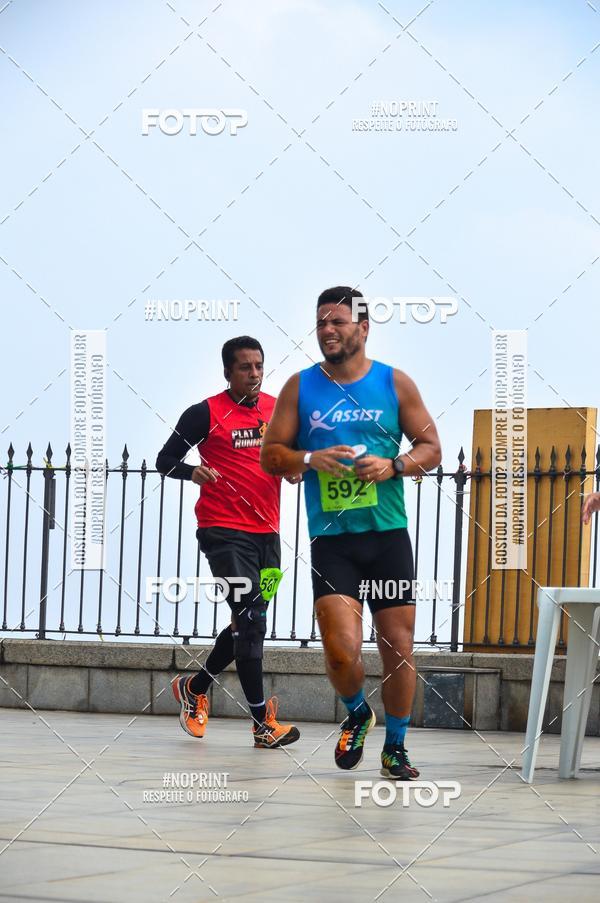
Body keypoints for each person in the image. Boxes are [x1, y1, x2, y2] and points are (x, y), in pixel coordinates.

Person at [260, 287, 441, 779]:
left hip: (387, 536)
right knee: (341, 650)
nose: (327, 330)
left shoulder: (393, 383)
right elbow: (271, 455)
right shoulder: (300, 387)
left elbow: (431, 448)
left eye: (337, 322)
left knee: (398, 646)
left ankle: (395, 748)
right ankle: (358, 711)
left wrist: (394, 465)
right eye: (321, 322)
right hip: (333, 540)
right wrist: (308, 457)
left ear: (363, 328)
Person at [156, 336, 300, 749]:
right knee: (252, 619)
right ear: (227, 372)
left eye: (259, 366)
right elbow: (165, 460)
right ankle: (262, 724)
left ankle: (195, 688)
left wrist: (293, 470)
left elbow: (288, 461)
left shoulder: (278, 409)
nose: (254, 374)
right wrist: (192, 472)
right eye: (245, 367)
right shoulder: (205, 413)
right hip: (223, 532)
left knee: (246, 624)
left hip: (267, 535)